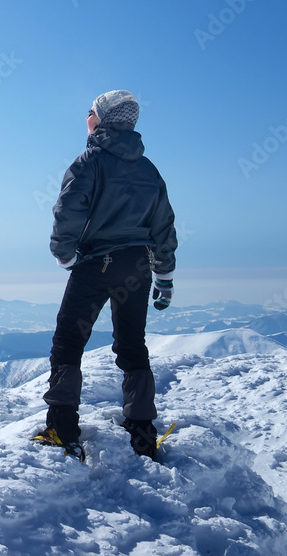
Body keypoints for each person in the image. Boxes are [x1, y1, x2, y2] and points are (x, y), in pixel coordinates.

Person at [36, 90, 177, 461]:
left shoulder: (90, 162)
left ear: (101, 119)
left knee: (68, 342)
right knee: (132, 345)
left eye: (89, 112)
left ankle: (62, 429)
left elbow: (67, 212)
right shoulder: (149, 171)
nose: (86, 117)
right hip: (138, 265)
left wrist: (64, 256)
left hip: (95, 263)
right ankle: (142, 431)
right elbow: (164, 226)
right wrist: (164, 276)